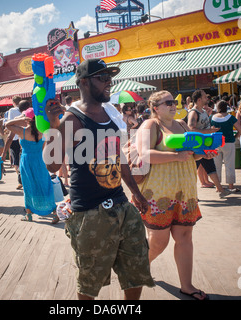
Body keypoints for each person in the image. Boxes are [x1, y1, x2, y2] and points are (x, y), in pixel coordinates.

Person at [44, 58, 154, 300]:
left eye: (109, 78)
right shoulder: (72, 119)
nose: (109, 82)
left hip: (121, 205)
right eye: (102, 78)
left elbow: (119, 156)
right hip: (90, 214)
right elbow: (52, 164)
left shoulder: (109, 112)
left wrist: (135, 192)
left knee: (136, 268)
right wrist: (53, 125)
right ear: (84, 82)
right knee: (90, 282)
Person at [136, 90, 213, 300]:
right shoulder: (150, 125)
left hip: (184, 191)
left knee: (185, 237)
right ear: (155, 108)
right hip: (159, 192)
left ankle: (187, 286)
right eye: (167, 102)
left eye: (174, 101)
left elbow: (192, 153)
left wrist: (205, 151)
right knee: (159, 241)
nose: (173, 105)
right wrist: (177, 156)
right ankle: (139, 267)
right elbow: (145, 154)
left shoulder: (181, 124)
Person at [5, 108, 58, 223]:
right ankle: (54, 213)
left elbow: (7, 124)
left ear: (27, 119)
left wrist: (19, 119)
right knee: (45, 184)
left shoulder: (22, 131)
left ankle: (29, 215)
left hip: (26, 161)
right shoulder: (43, 130)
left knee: (28, 186)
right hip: (40, 160)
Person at [187, 89, 230, 198]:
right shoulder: (193, 112)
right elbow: (191, 128)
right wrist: (209, 131)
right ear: (199, 99)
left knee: (211, 167)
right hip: (196, 147)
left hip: (204, 145)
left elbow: (203, 126)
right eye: (205, 97)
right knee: (192, 172)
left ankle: (220, 190)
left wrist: (209, 130)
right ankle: (192, 196)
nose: (207, 98)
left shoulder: (203, 112)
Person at [211, 100, 241, 192]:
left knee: (216, 165)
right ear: (227, 108)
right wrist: (235, 137)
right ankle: (230, 186)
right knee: (229, 164)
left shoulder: (212, 117)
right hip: (228, 142)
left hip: (216, 143)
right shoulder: (231, 117)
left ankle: (218, 186)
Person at [2, 98, 30, 190]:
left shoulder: (13, 112)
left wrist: (17, 119)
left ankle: (20, 179)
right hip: (36, 154)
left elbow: (8, 126)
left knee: (16, 162)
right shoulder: (36, 120)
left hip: (18, 141)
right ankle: (22, 179)